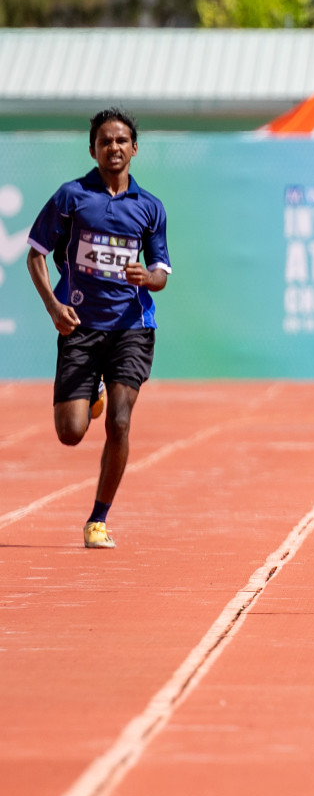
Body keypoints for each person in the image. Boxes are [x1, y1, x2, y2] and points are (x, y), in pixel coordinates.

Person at [26, 108, 171, 550]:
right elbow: (35, 254)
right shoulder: (71, 197)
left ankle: (98, 519)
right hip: (81, 328)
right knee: (70, 432)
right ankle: (92, 393)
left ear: (134, 149)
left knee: (121, 422)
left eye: (121, 140)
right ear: (93, 149)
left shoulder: (149, 208)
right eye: (105, 141)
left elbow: (162, 272)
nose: (114, 147)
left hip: (131, 327)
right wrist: (53, 305)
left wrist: (148, 278)